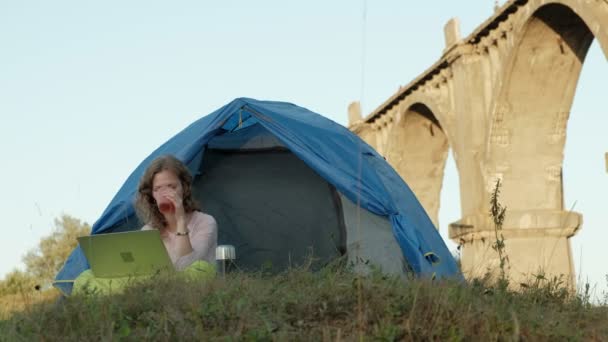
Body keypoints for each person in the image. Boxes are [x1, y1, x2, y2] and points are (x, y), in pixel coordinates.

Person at [72, 155, 217, 295]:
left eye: (171, 186)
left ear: (184, 188)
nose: (164, 193)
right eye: (158, 189)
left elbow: (186, 265)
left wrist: (180, 220)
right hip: (156, 286)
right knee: (86, 276)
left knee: (200, 269)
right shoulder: (149, 230)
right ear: (151, 195)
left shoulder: (205, 222)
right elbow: (141, 272)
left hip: (190, 286)